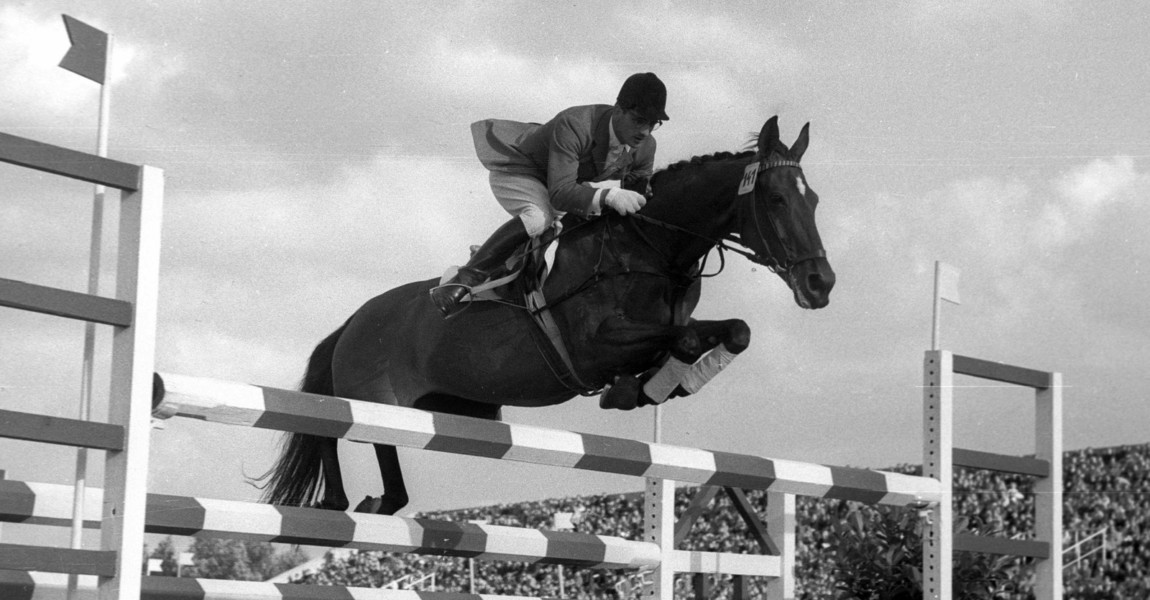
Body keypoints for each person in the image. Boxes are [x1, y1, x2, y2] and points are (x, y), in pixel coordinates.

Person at [429, 72, 669, 316]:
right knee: (539, 218)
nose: (645, 131)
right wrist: (607, 195)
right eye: (639, 120)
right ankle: (463, 280)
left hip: (560, 183)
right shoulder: (576, 124)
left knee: (572, 227)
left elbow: (633, 205)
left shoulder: (645, 147)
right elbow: (560, 193)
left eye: (653, 124)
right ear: (618, 110)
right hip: (518, 168)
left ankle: (506, 272)